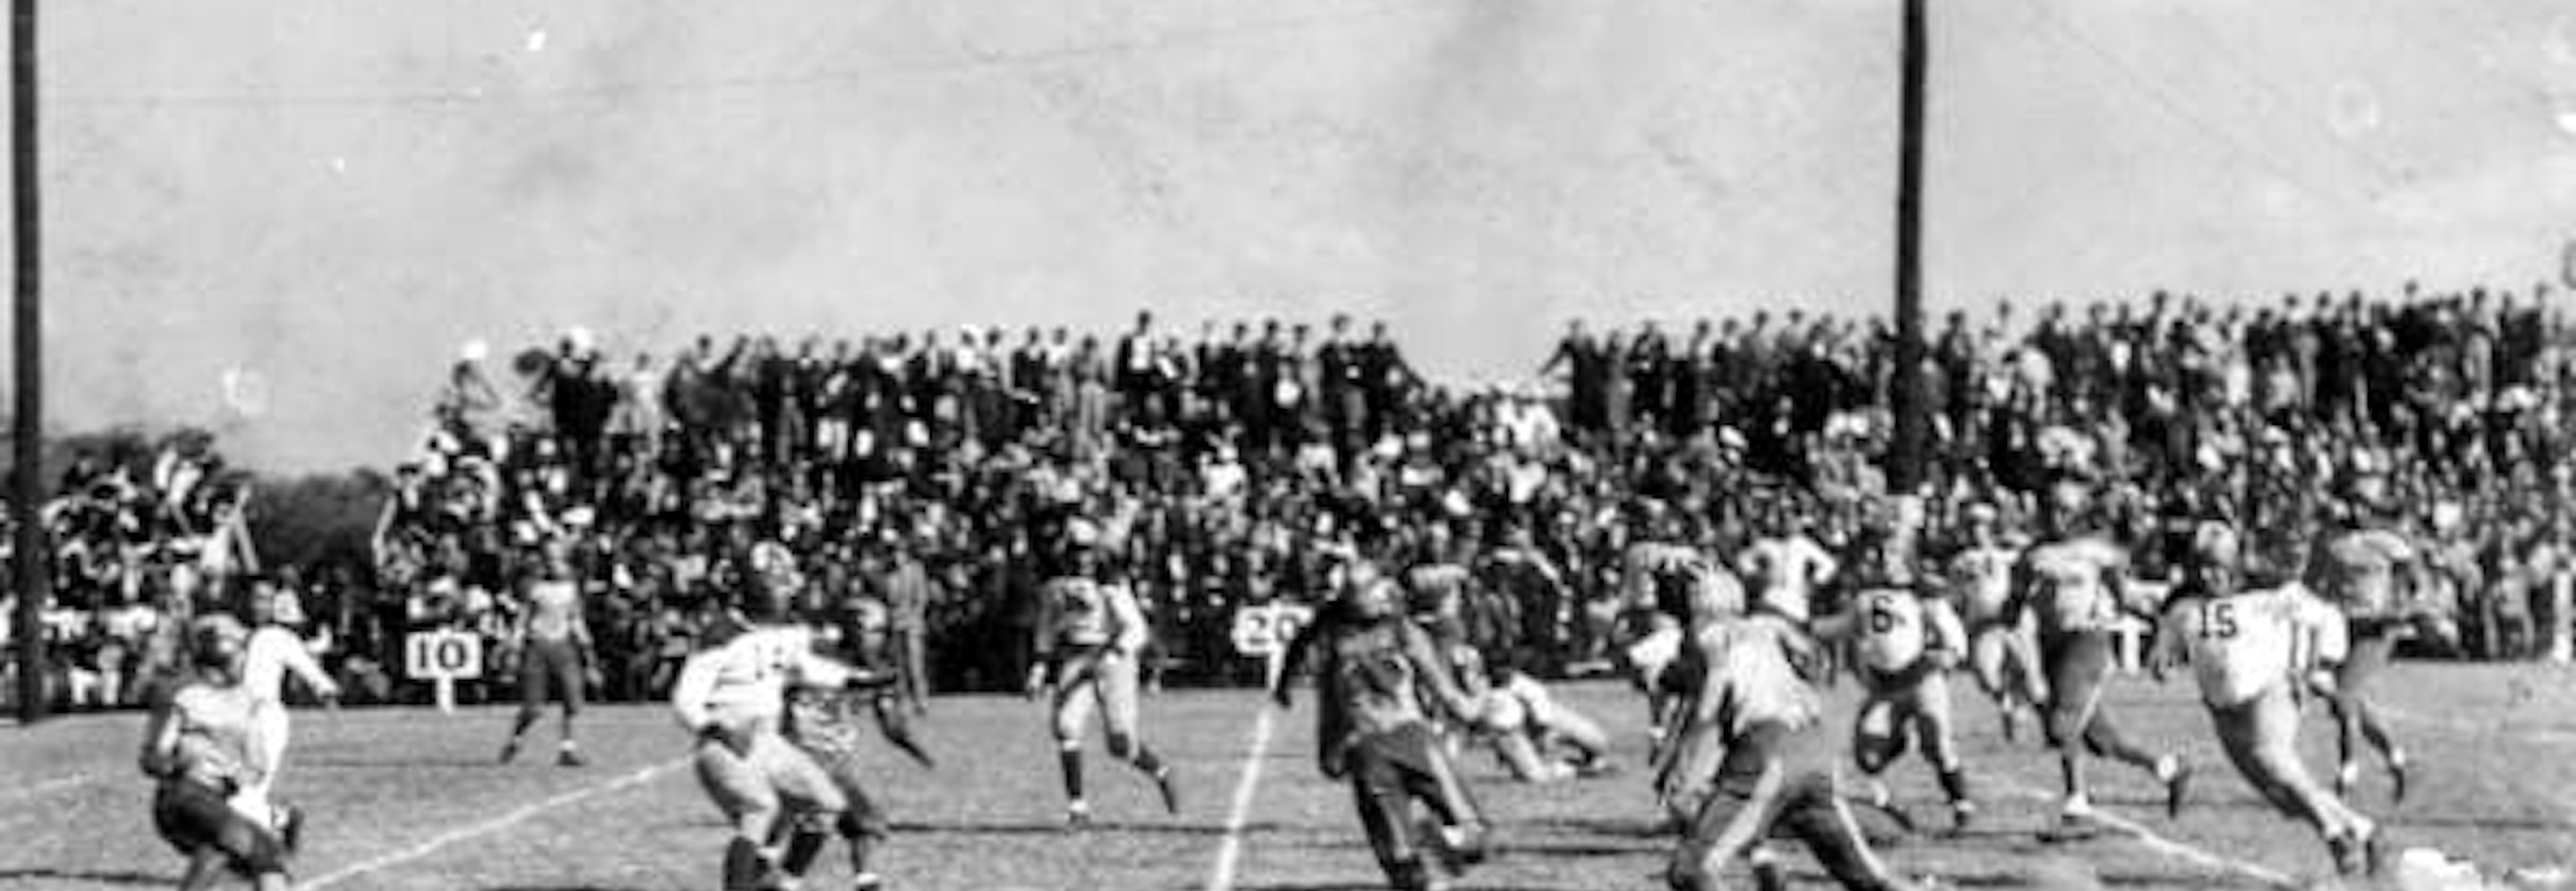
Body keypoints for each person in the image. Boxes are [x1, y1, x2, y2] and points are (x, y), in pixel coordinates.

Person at [2154, 524, 2384, 875]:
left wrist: (2306, 669)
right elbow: (2168, 634)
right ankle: (2362, 829)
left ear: (2233, 564)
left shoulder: (2267, 588)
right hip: (2221, 707)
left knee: (2273, 758)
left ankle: (2335, 834)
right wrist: (2162, 656)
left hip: (2268, 691)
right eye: (2200, 566)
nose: (2207, 575)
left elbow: (2317, 617)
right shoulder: (2183, 601)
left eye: (2215, 566)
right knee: (2283, 796)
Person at [1656, 601, 1923, 891]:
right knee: (1870, 879)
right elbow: (1814, 660)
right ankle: (1768, 864)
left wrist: (1684, 769)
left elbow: (1707, 704)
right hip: (1816, 748)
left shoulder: (1710, 634)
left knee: (1691, 870)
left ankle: (1769, 862)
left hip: (1768, 749)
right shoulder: (1765, 626)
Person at [1272, 559, 1493, 891]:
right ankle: (1427, 853)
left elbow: (1439, 682)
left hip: (1407, 738)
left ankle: (1432, 840)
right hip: (1368, 745)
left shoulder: (1400, 627)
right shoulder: (1334, 626)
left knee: (1473, 840)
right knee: (1404, 867)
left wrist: (1468, 704)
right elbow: (1302, 648)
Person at [671, 582, 890, 891]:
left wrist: (853, 679)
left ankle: (783, 882)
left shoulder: (785, 630)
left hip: (768, 739)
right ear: (757, 588)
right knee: (759, 808)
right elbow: (685, 698)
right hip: (727, 740)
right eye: (779, 585)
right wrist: (713, 726)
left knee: (827, 804)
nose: (787, 593)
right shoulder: (721, 633)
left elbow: (804, 669)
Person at [2006, 481, 2191, 836]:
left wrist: (2158, 626)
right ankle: (2169, 768)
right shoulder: (2032, 555)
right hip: (2050, 645)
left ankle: (2076, 806)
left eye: (2065, 509)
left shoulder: (2096, 553)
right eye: (2053, 508)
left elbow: (2124, 595)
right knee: (2102, 739)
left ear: (2078, 513)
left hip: (2087, 640)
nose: (2058, 517)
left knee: (2062, 725)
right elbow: (2014, 608)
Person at [1817, 550, 1975, 833]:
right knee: (1867, 757)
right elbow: (1841, 627)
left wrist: (1951, 653)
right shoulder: (1863, 600)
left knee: (1936, 743)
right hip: (1884, 687)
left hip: (1921, 678)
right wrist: (1805, 625)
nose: (1885, 568)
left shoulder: (1924, 598)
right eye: (1882, 562)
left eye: (1893, 563)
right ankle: (1889, 797)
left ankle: (1961, 801)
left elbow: (1954, 636)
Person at [1027, 539, 1182, 827]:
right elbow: (1046, 629)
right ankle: (1077, 807)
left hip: (1113, 658)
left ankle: (1161, 772)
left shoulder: (1110, 589)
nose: (1078, 565)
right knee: (1065, 726)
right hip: (1076, 656)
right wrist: (1039, 666)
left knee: (1120, 741)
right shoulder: (1054, 590)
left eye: (1084, 558)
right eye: (1074, 557)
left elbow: (1136, 629)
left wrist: (1111, 658)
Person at [2304, 482, 2440, 803]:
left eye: (2365, 505)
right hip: (2341, 627)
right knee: (2349, 702)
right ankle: (2397, 759)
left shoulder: (2387, 542)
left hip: (2376, 629)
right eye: (2354, 505)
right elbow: (2312, 585)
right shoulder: (2330, 542)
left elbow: (2419, 582)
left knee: (2345, 695)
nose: (2359, 512)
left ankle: (2346, 773)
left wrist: (2407, 609)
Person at [140, 615, 296, 891]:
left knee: (221, 851)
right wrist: (182, 762)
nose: (245, 661)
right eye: (239, 653)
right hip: (184, 796)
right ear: (220, 654)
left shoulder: (244, 698)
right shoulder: (182, 694)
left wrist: (243, 770)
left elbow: (256, 764)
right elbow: (151, 758)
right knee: (263, 852)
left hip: (216, 799)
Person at [235, 581, 337, 844]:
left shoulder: (278, 638)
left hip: (265, 718)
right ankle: (279, 819)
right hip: (232, 721)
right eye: (255, 598)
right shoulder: (234, 635)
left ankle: (270, 835)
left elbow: (306, 667)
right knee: (229, 795)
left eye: (265, 600)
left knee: (248, 798)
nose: (258, 605)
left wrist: (324, 689)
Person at [1945, 504, 2046, 742]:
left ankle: (2030, 719)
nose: (1976, 531)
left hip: (2016, 621)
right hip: (1983, 624)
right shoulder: (1961, 561)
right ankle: (2007, 705)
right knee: (1985, 674)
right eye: (1972, 526)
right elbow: (1955, 595)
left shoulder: (2011, 554)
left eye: (1981, 526)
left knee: (2031, 679)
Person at [501, 552, 596, 767]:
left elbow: (575, 619)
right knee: (534, 708)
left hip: (563, 645)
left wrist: (587, 648)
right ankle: (516, 739)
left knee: (572, 700)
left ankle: (567, 748)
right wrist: (514, 647)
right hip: (538, 646)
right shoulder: (536, 589)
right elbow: (523, 619)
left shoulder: (570, 590)